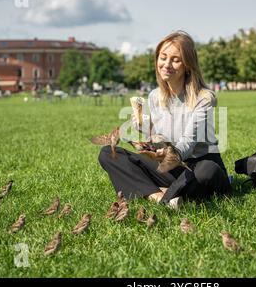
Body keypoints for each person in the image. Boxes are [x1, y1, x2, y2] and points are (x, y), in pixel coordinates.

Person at [98, 31, 231, 209]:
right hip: (170, 167)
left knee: (208, 170)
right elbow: (159, 139)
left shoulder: (204, 98)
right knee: (109, 153)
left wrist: (168, 154)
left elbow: (187, 144)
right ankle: (160, 197)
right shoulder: (154, 96)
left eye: (175, 60)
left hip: (197, 165)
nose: (166, 64)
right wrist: (145, 133)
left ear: (187, 65)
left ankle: (154, 191)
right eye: (163, 57)